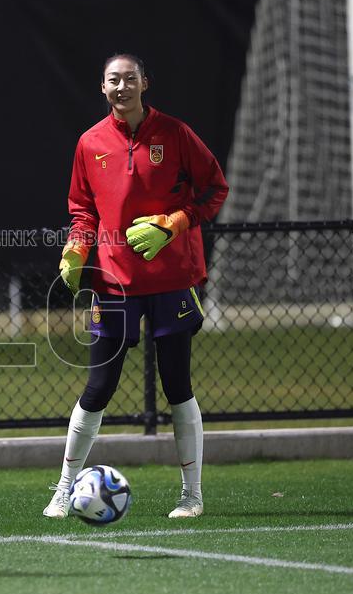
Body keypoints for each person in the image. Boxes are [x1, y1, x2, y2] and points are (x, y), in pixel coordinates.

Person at [44, 53, 228, 519]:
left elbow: (215, 189)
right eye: (113, 80)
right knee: (99, 384)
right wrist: (75, 250)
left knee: (177, 385)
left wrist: (174, 223)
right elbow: (83, 210)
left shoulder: (176, 134)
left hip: (171, 279)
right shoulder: (89, 143)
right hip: (114, 281)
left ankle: (192, 496)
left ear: (145, 83)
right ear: (102, 88)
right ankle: (64, 489)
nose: (122, 87)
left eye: (130, 79)